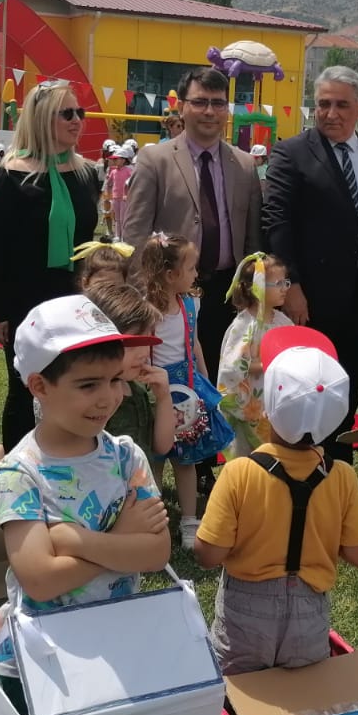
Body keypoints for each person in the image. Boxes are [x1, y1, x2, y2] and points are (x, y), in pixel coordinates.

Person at [0, 295, 169, 715]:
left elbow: (157, 553)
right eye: (88, 385)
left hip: (116, 650)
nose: (108, 398)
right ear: (39, 386)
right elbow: (41, 581)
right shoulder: (21, 473)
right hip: (39, 667)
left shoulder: (127, 457)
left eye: (114, 380)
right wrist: (122, 540)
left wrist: (77, 541)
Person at [195, 337, 358, 674]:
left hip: (245, 613)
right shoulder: (342, 477)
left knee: (240, 698)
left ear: (268, 407)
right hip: (309, 614)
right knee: (300, 703)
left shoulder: (239, 473)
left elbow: (208, 556)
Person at [263, 65, 358, 464]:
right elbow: (277, 222)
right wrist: (290, 287)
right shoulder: (291, 152)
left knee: (349, 383)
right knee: (308, 387)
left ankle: (339, 470)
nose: (331, 113)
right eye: (323, 103)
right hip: (309, 301)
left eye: (341, 104)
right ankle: (300, 467)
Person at [0, 80, 101, 449]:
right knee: (26, 385)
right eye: (67, 113)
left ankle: (66, 459)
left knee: (74, 382)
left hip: (74, 299)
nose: (77, 120)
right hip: (24, 301)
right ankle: (20, 469)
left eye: (80, 112)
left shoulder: (85, 173)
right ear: (43, 119)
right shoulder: (11, 174)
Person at [120, 68, 263, 373]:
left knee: (224, 380)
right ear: (182, 106)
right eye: (199, 102)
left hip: (229, 296)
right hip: (171, 297)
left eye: (218, 103)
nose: (209, 111)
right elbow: (135, 235)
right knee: (178, 385)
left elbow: (253, 242)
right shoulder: (154, 160)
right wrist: (144, 300)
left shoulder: (245, 165)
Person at [139, 232, 236, 546]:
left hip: (187, 391)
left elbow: (193, 344)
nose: (197, 274)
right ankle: (153, 520)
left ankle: (190, 521)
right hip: (155, 390)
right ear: (171, 274)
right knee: (154, 457)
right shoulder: (145, 310)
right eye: (192, 268)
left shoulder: (190, 304)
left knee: (186, 459)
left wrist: (205, 381)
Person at [85, 281, 177, 471]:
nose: (143, 352)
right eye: (133, 345)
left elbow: (162, 446)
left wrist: (163, 397)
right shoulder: (93, 398)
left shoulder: (138, 389)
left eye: (146, 341)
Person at [216, 251, 293, 454]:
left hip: (274, 399)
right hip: (250, 403)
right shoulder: (244, 325)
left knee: (276, 453)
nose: (285, 288)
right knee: (248, 458)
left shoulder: (283, 321)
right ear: (256, 287)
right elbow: (233, 367)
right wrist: (269, 364)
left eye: (286, 282)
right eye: (278, 284)